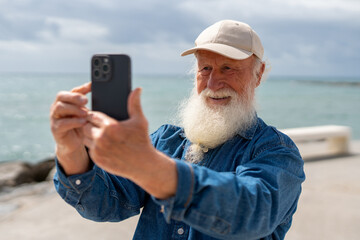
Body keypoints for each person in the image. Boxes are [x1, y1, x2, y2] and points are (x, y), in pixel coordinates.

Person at [50, 20, 305, 240]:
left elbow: (252, 212)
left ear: (258, 75)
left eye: (228, 68)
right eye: (205, 68)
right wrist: (70, 151)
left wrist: (151, 167)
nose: (213, 83)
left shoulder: (275, 150)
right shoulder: (166, 140)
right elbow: (106, 204)